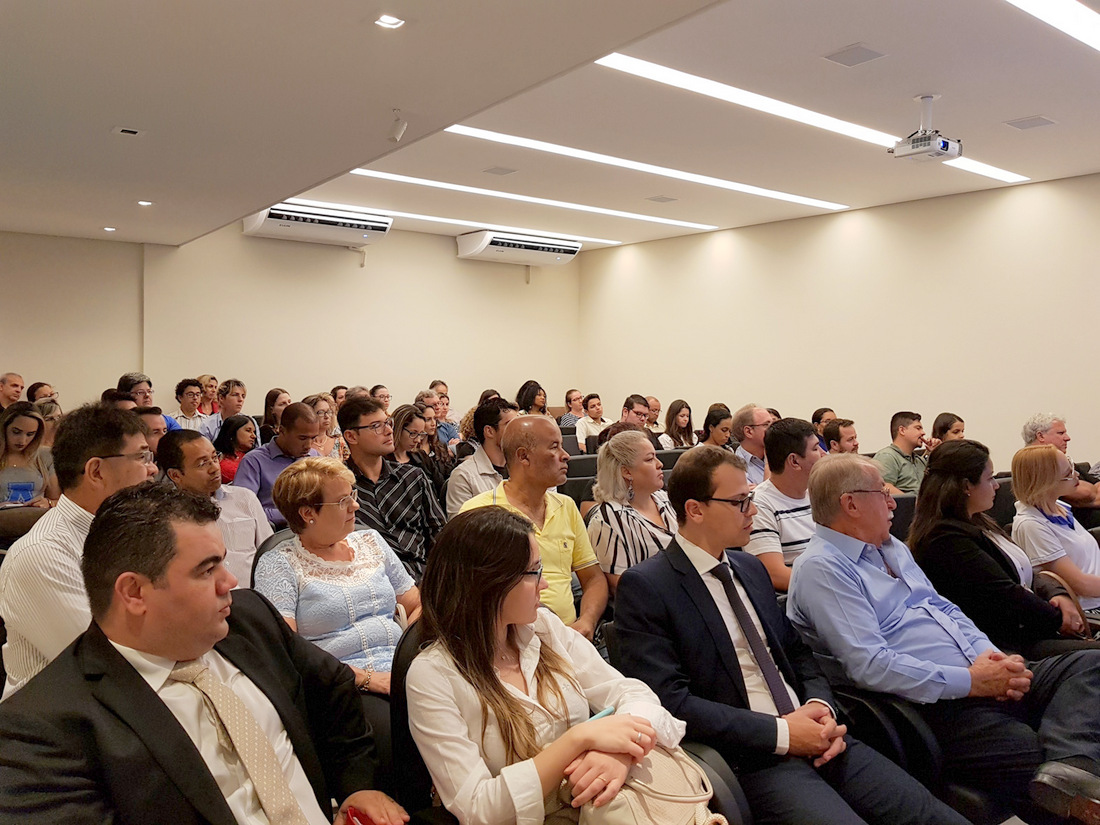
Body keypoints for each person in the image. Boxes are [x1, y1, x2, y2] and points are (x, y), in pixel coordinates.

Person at [0, 483, 407, 825]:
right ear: (134, 592)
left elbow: (333, 687)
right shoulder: (44, 730)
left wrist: (356, 786)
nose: (229, 581)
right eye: (207, 569)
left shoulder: (249, 620)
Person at [614, 446, 967, 825]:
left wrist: (821, 707)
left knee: (930, 814)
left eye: (751, 498)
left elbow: (798, 653)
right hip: (753, 757)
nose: (752, 511)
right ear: (695, 510)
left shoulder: (748, 568)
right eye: (740, 502)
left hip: (818, 734)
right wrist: (783, 733)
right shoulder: (648, 586)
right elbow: (671, 701)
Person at [787, 453, 1100, 822]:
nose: (893, 502)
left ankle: (1071, 765)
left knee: (1089, 664)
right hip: (932, 706)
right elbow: (870, 665)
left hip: (979, 675)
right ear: (851, 504)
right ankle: (1070, 769)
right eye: (882, 494)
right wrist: (972, 681)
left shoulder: (890, 546)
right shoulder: (823, 568)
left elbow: (944, 609)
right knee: (1043, 754)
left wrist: (992, 658)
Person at [407, 506, 684, 825]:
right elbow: (477, 807)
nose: (545, 584)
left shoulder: (544, 628)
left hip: (594, 808)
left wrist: (616, 753)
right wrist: (579, 740)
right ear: (489, 583)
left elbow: (633, 693)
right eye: (534, 572)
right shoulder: (432, 676)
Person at [256, 457, 422, 793]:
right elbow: (285, 648)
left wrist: (414, 658)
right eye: (343, 500)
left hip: (402, 668)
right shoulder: (280, 564)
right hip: (340, 685)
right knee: (395, 736)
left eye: (353, 495)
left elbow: (416, 605)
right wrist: (367, 679)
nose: (355, 505)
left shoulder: (371, 541)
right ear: (308, 513)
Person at [0, 403, 156, 695]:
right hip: (65, 714)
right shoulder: (43, 554)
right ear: (96, 471)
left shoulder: (129, 529)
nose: (152, 468)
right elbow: (106, 663)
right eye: (141, 457)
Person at [910, 440, 1098, 659]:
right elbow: (1005, 594)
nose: (997, 486)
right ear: (966, 486)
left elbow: (1025, 572)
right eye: (990, 478)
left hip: (1030, 628)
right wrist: (1059, 618)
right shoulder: (946, 538)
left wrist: (1057, 594)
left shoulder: (978, 521)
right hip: (1006, 645)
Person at [460, 416, 607, 638]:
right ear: (523, 456)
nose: (565, 455)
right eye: (554, 447)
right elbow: (466, 593)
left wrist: (587, 620)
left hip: (568, 635)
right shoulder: (479, 512)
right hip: (510, 640)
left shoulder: (566, 506)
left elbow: (593, 578)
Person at [338, 396, 445, 580]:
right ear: (351, 436)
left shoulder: (412, 477)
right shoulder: (338, 486)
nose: (389, 431)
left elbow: (440, 533)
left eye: (388, 423)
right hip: (371, 582)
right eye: (376, 426)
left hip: (424, 576)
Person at [159, 430, 273, 585]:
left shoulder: (244, 498)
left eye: (214, 457)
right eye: (202, 464)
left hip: (255, 592)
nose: (214, 468)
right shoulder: (168, 515)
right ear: (176, 475)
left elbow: (270, 553)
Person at [1012, 444, 1100, 610]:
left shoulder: (1060, 507)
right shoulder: (1031, 525)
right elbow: (1081, 584)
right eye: (1068, 474)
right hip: (1087, 610)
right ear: (1046, 481)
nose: (1076, 475)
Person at [587, 431, 676, 595]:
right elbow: (621, 586)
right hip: (654, 603)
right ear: (626, 472)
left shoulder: (665, 499)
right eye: (649, 459)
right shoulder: (608, 520)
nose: (660, 464)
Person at [744, 418, 824, 592]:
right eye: (816, 449)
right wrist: (833, 587)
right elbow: (774, 574)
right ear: (794, 461)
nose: (823, 454)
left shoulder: (819, 492)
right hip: (810, 596)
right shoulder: (760, 505)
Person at [235, 402, 320, 527]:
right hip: (274, 531)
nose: (308, 445)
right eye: (302, 438)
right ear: (282, 431)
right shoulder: (254, 461)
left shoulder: (314, 457)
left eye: (313, 438)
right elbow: (243, 509)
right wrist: (294, 514)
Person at [447, 398, 519, 518]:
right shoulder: (463, 476)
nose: (519, 431)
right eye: (510, 425)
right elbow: (460, 527)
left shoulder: (523, 469)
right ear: (489, 431)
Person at [1021, 413, 1100, 511]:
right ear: (1040, 436)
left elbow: (1095, 486)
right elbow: (1090, 494)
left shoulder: (1063, 461)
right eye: (1061, 433)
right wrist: (1094, 489)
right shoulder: (1035, 465)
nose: (1067, 438)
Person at [0, 402, 59, 507]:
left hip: (37, 516)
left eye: (30, 434)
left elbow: (57, 500)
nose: (22, 440)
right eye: (16, 432)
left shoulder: (45, 456)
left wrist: (49, 503)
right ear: (4, 428)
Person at [872, 411, 937, 495]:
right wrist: (912, 501)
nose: (923, 433)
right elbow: (883, 486)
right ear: (902, 430)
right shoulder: (887, 456)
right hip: (905, 503)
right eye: (918, 428)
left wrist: (937, 452)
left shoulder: (918, 460)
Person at [212, 413, 257, 483]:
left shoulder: (255, 458)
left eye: (254, 432)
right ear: (232, 432)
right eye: (248, 430)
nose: (254, 436)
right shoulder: (217, 459)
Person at [732, 403, 771, 485]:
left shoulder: (782, 454)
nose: (773, 428)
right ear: (749, 432)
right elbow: (767, 493)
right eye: (766, 425)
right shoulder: (735, 467)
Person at [200, 378, 247, 442]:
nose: (241, 399)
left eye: (243, 396)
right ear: (221, 398)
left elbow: (257, 447)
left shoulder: (250, 423)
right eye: (235, 395)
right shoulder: (207, 425)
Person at [303, 392, 346, 460]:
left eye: (329, 412)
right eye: (321, 412)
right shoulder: (302, 445)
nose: (327, 416)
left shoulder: (340, 443)